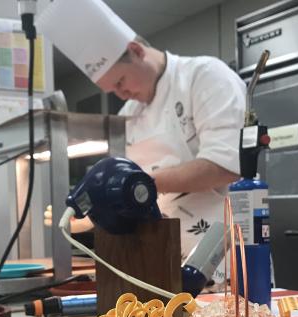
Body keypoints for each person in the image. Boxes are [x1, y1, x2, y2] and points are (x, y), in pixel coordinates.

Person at [37, 0, 246, 260]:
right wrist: (94, 213)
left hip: (220, 257)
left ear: (136, 50)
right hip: (159, 258)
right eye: (111, 90)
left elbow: (224, 165)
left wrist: (136, 186)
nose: (121, 93)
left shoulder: (205, 77)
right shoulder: (128, 114)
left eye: (120, 81)